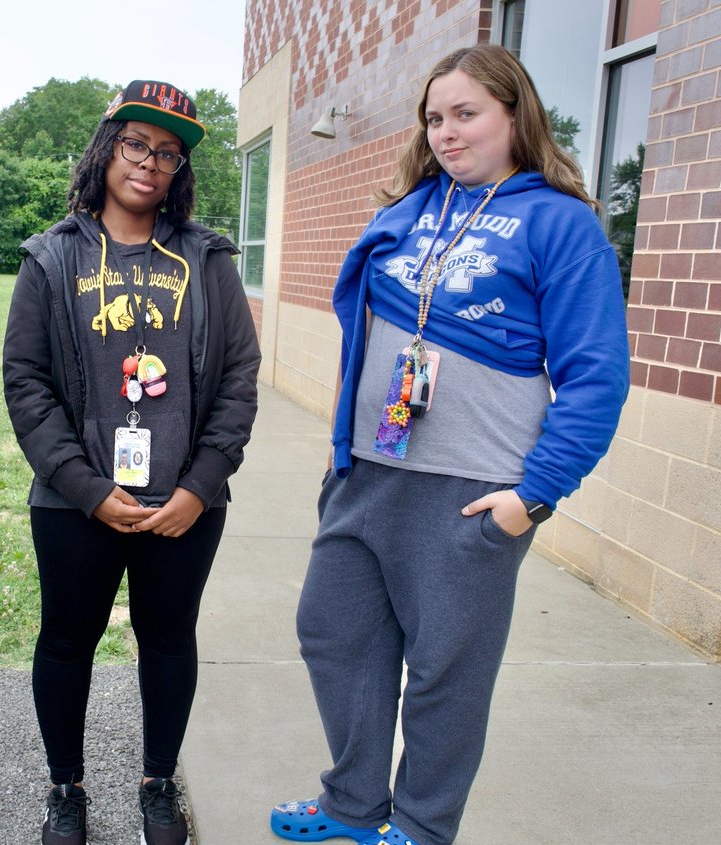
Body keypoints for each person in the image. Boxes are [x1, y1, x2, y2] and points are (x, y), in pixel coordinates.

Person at [269, 43, 630, 845]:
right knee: (334, 632)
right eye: (435, 117)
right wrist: (340, 450)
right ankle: (354, 804)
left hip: (471, 490)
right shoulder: (407, 209)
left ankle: (423, 828)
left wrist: (533, 496)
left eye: (466, 113)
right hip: (367, 471)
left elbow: (597, 376)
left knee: (445, 675)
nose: (446, 131)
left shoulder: (559, 221)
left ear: (515, 116)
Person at [3, 80, 261, 845]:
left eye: (169, 153)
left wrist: (202, 483)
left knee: (169, 637)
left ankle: (158, 781)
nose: (151, 163)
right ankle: (65, 788)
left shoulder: (207, 259)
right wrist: (84, 487)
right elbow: (26, 381)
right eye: (137, 144)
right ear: (107, 148)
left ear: (181, 171)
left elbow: (240, 378)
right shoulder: (51, 257)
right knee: (66, 639)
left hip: (182, 502)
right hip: (77, 500)